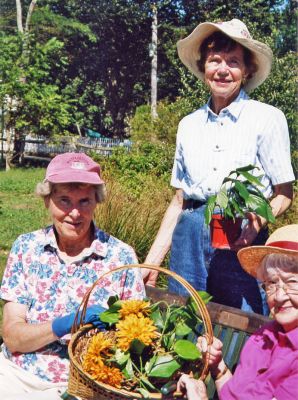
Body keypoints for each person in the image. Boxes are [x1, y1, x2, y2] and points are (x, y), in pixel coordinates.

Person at [143, 18, 294, 314]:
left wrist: (258, 222)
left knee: (241, 321)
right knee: (183, 318)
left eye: (233, 62)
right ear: (203, 68)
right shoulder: (189, 124)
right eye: (215, 60)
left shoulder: (267, 118)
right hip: (188, 233)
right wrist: (152, 261)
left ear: (247, 70)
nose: (223, 70)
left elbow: (284, 193)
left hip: (238, 233)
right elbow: (179, 201)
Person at [0, 152, 145, 400]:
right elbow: (13, 338)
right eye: (64, 201)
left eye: (85, 201)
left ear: (97, 202)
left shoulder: (120, 256)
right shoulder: (27, 247)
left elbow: (137, 339)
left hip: (83, 385)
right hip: (17, 376)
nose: (75, 213)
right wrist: (64, 324)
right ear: (47, 201)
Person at [177, 224, 298, 400]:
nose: (279, 296)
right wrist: (218, 368)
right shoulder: (263, 337)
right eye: (271, 283)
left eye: (292, 283)